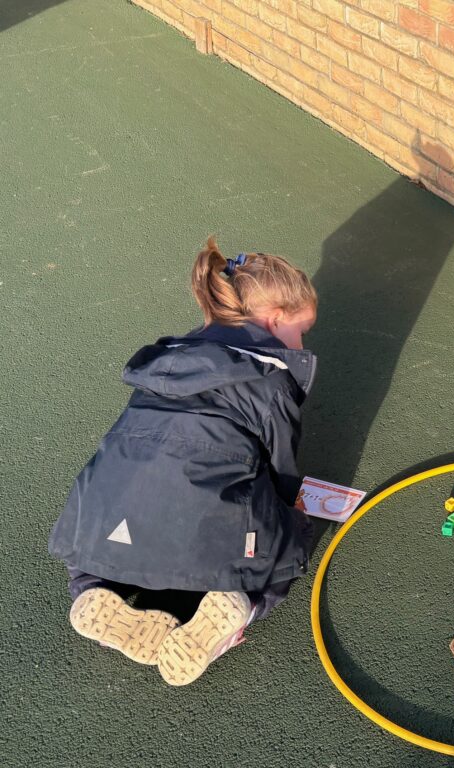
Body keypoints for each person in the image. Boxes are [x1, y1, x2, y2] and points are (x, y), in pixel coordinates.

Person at [49, 237, 318, 686]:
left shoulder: (168, 359)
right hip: (203, 515)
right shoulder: (271, 382)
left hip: (106, 504)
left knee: (93, 547)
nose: (302, 343)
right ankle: (240, 604)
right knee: (290, 541)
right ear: (274, 321)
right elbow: (281, 467)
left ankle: (90, 589)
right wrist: (288, 511)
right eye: (300, 331)